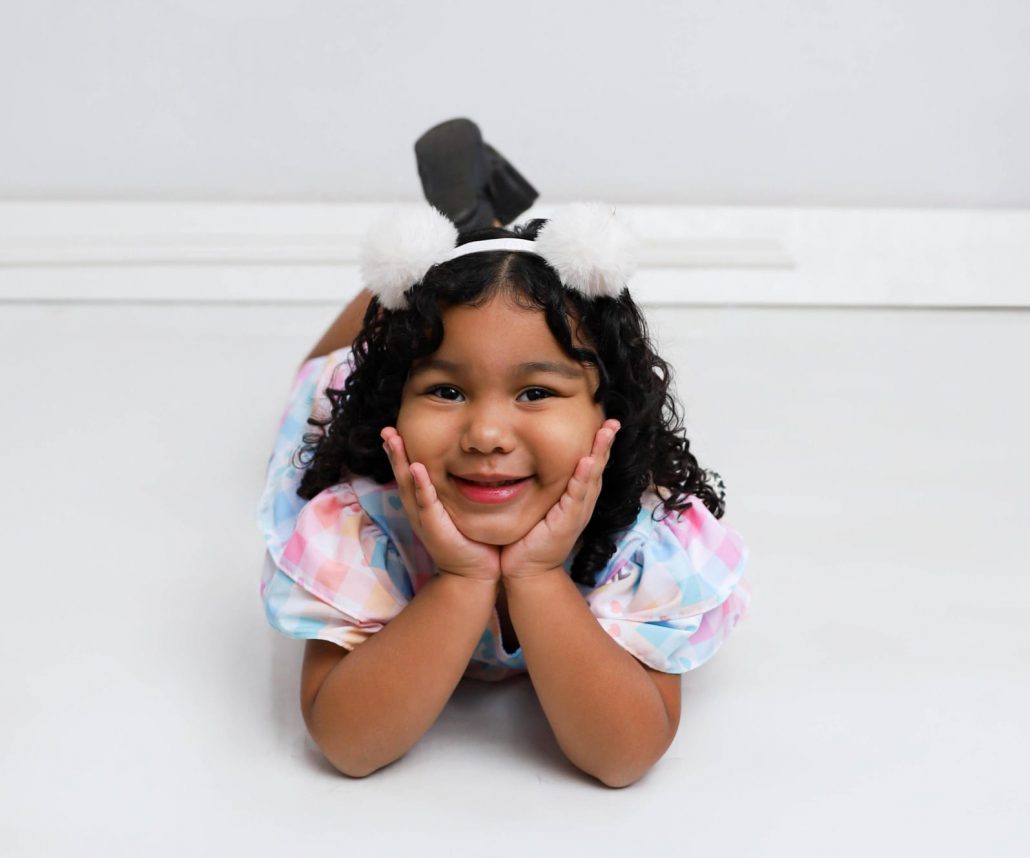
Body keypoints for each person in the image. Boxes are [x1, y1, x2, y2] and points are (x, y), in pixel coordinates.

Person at [257, 123, 749, 787]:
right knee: (342, 355)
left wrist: (539, 576)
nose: (486, 434)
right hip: (350, 392)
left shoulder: (640, 534)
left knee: (473, 316)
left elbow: (625, 755)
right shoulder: (364, 520)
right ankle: (466, 235)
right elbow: (347, 742)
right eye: (446, 390)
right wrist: (461, 581)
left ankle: (474, 230)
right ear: (397, 405)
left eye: (536, 392)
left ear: (610, 412)